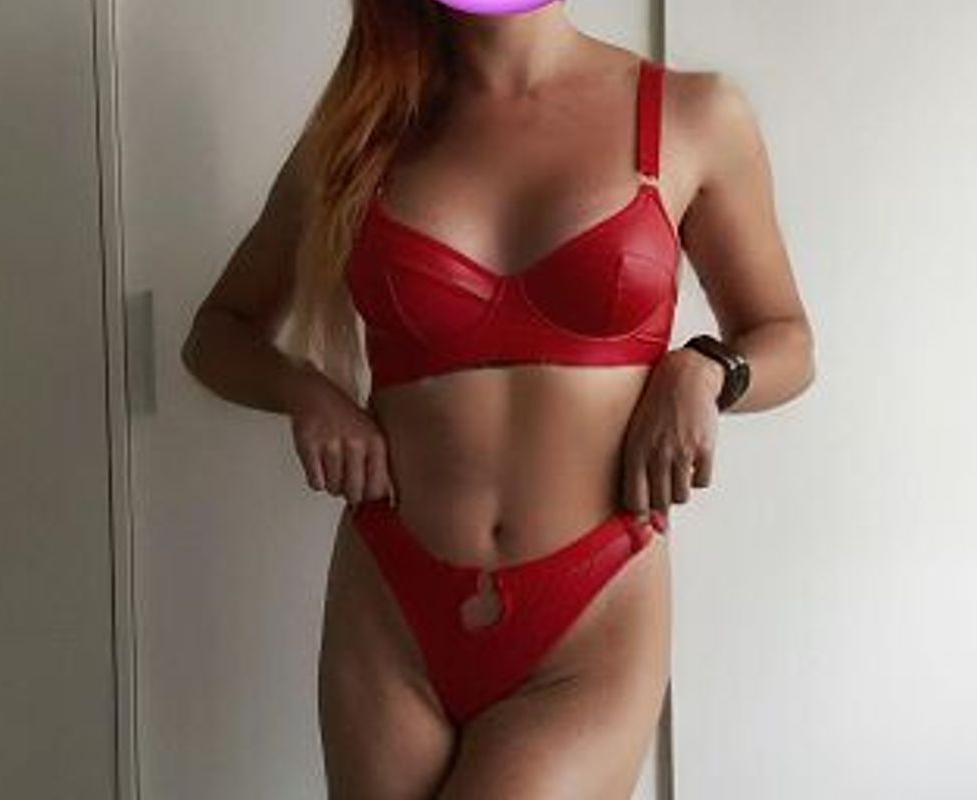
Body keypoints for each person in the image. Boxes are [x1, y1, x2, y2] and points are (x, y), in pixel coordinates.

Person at [182, 2, 815, 797]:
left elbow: (786, 337)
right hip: (390, 603)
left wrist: (708, 368)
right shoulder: (360, 131)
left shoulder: (693, 114)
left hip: (592, 612)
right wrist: (306, 390)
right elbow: (216, 334)